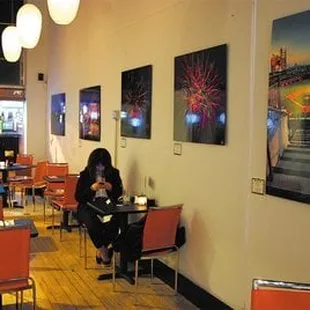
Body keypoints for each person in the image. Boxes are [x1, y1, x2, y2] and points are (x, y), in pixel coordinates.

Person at [75, 148, 123, 265]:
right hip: (88, 206)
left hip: (107, 206)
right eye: (98, 166)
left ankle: (101, 249)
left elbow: (119, 192)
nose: (101, 168)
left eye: (103, 166)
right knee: (93, 223)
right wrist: (92, 188)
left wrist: (110, 187)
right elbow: (78, 196)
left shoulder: (114, 173)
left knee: (114, 221)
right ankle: (104, 251)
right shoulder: (85, 174)